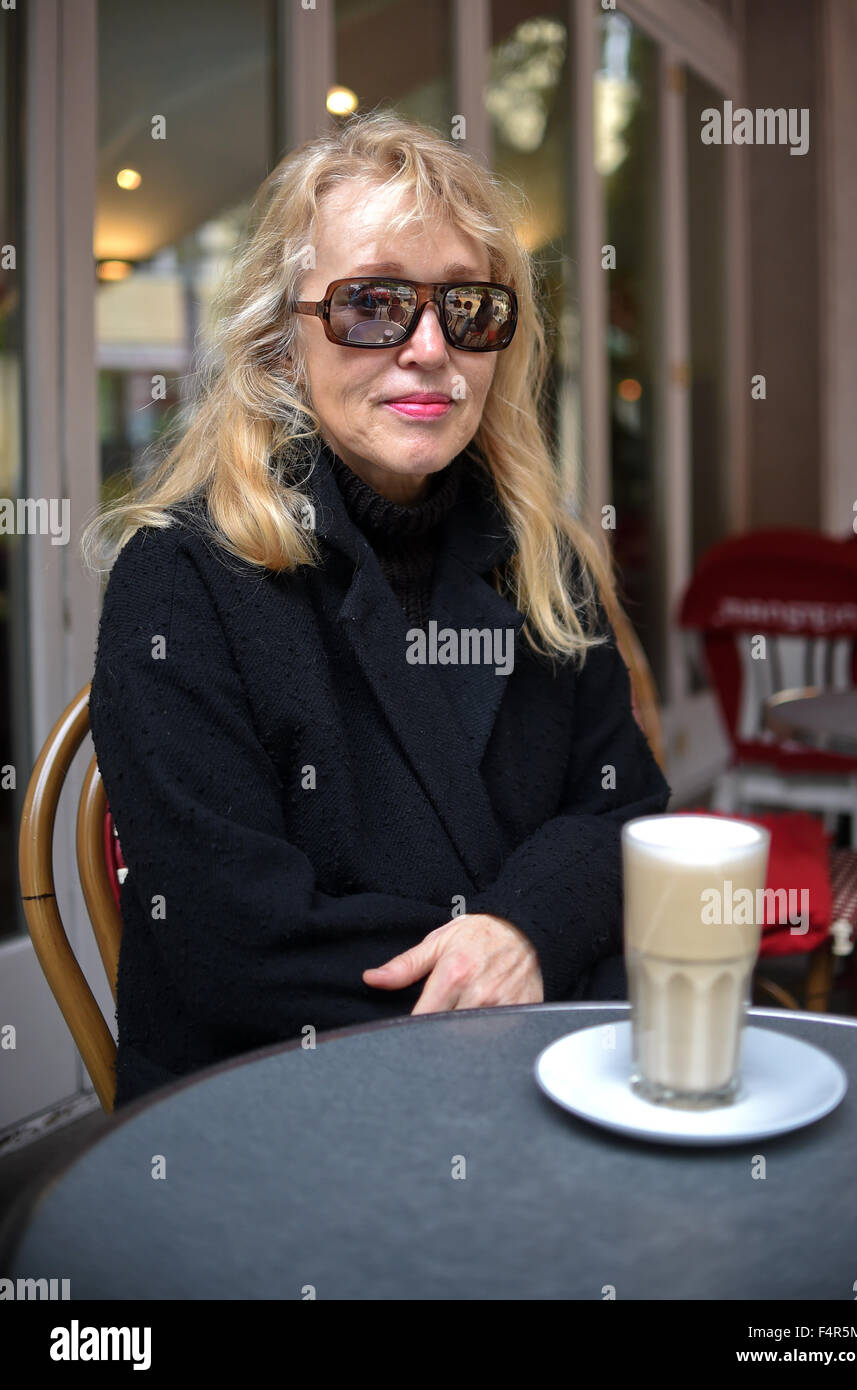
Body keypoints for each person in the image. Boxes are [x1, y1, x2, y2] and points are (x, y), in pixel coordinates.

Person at [83, 111, 670, 1108]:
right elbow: (231, 938)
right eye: (374, 305)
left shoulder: (542, 562)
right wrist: (514, 961)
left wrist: (522, 926)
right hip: (274, 1109)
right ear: (280, 345)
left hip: (538, 1077)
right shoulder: (179, 582)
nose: (431, 348)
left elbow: (627, 811)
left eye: (470, 309)